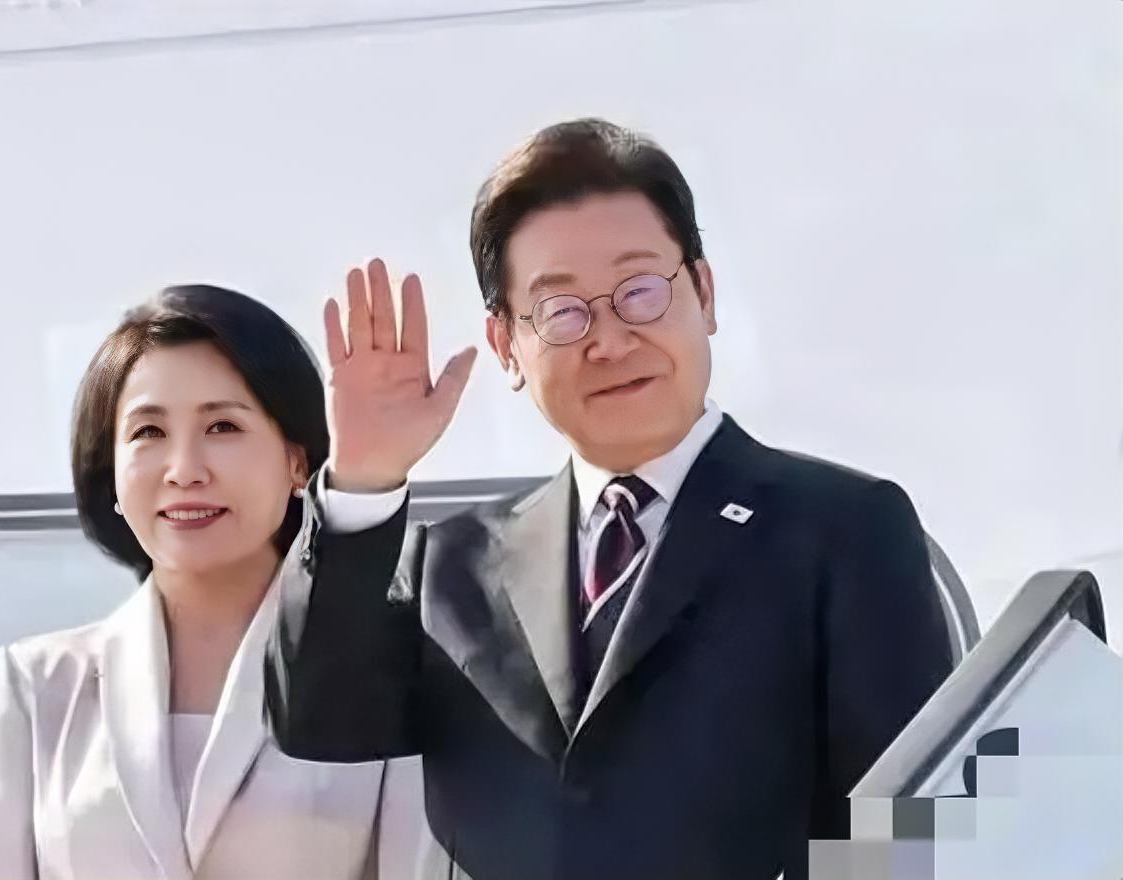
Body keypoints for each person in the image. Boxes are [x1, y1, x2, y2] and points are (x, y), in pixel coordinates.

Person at [267, 119, 954, 880]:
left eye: (641, 292)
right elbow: (320, 721)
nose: (611, 340)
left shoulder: (843, 530)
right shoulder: (450, 565)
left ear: (704, 294)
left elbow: (900, 834)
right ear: (506, 346)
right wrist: (363, 480)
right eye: (562, 311)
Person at [0, 285, 427, 880]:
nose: (184, 470)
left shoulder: (392, 678)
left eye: (222, 426)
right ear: (112, 473)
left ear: (297, 462)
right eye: (148, 433)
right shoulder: (36, 687)